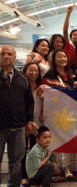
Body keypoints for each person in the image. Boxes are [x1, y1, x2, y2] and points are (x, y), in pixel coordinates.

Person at [0, 45, 38, 187]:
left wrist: (29, 120)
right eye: (3, 53)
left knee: (16, 162)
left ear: (14, 57)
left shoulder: (22, 78)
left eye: (9, 54)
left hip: (18, 128)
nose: (6, 56)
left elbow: (29, 102)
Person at [42, 49, 74, 179]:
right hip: (53, 113)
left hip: (67, 112)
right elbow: (45, 95)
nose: (63, 59)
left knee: (66, 139)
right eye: (59, 57)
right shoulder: (48, 75)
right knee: (53, 141)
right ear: (54, 59)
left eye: (64, 57)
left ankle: (67, 168)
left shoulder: (70, 75)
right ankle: (56, 169)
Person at [21, 62, 44, 186]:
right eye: (31, 70)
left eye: (36, 71)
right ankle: (24, 177)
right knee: (23, 151)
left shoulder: (41, 87)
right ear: (25, 71)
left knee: (36, 151)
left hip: (38, 124)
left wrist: (43, 97)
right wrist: (25, 122)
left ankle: (35, 176)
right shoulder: (21, 85)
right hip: (24, 124)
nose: (33, 73)